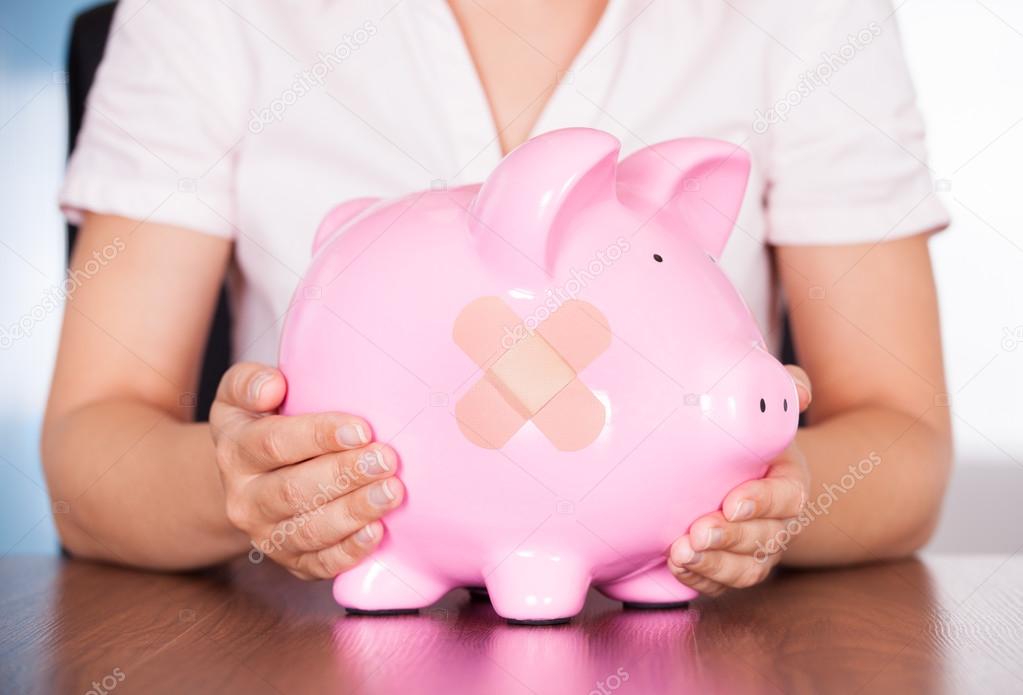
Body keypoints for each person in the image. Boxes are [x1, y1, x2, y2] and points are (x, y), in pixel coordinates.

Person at [43, 0, 951, 595]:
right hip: (320, 632)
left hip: (682, 636)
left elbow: (903, 450)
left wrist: (762, 499)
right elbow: (89, 464)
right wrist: (242, 486)